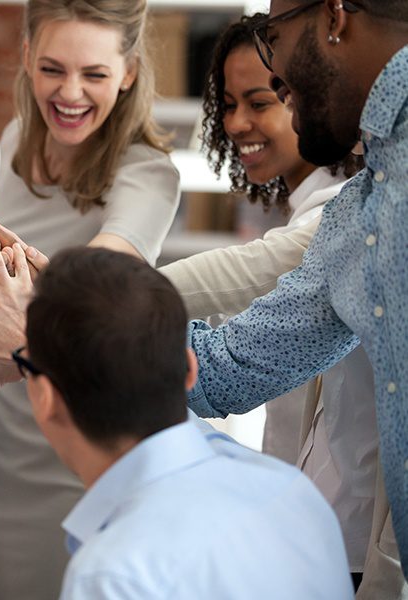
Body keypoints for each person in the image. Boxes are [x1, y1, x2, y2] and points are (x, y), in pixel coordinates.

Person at [0, 0, 408, 585]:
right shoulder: (360, 211)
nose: (276, 73)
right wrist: (45, 327)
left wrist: (47, 318)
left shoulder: (158, 179)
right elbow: (232, 366)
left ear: (333, 18)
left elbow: (238, 281)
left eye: (275, 40)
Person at [157, 16, 399, 594]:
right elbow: (232, 370)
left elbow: (244, 279)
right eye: (229, 103)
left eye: (267, 96)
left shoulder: (350, 212)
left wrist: (71, 304)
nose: (239, 123)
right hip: (317, 534)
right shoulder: (348, 212)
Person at [0, 1, 180, 596]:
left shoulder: (147, 174)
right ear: (26, 55)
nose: (70, 93)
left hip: (85, 454)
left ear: (129, 71)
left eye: (95, 74)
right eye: (53, 68)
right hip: (7, 435)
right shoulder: (14, 142)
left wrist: (0, 297)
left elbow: (103, 278)